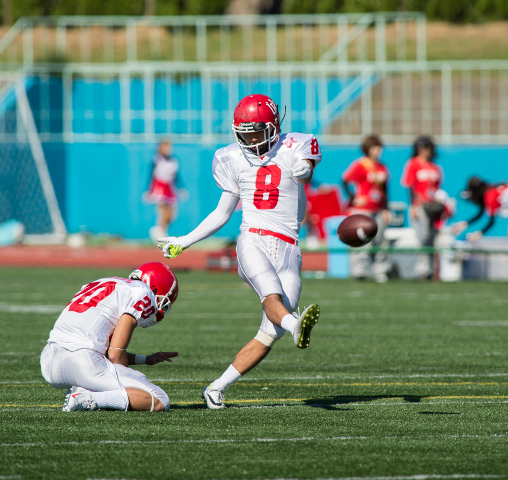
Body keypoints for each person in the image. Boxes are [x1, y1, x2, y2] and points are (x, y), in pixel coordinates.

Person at [158, 93, 321, 409]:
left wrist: (302, 168)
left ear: (273, 126)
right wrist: (185, 240)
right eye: (244, 132)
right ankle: (296, 326)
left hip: (289, 247)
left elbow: (306, 169)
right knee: (272, 298)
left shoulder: (296, 144)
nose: (250, 138)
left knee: (269, 333)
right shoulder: (230, 157)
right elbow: (222, 213)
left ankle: (216, 389)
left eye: (257, 131)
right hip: (253, 239)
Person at [40, 262, 179, 413]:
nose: (159, 309)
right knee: (159, 399)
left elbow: (103, 350)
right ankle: (89, 398)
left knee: (105, 372)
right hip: (83, 362)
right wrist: (122, 388)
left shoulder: (103, 282)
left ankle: (84, 387)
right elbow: (115, 356)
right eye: (163, 302)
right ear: (155, 288)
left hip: (49, 361)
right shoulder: (142, 291)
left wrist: (144, 359)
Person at [341, 134, 391, 282]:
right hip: (363, 209)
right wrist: (353, 198)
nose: (378, 150)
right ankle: (359, 271)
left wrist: (386, 208)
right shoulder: (361, 164)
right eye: (375, 147)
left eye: (379, 147)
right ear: (368, 149)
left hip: (378, 209)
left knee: (381, 241)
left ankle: (380, 271)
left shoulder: (382, 167)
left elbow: (385, 189)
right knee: (361, 239)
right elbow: (345, 180)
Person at [401, 136, 443, 280]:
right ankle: (423, 271)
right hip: (420, 206)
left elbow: (438, 189)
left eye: (428, 147)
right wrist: (413, 205)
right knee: (423, 238)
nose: (425, 151)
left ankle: (432, 271)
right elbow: (410, 186)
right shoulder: (413, 164)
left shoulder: (435, 167)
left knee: (433, 238)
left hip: (433, 206)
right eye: (422, 148)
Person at [453, 177, 508, 241]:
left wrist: (479, 234)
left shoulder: (490, 197)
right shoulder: (489, 189)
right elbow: (480, 214)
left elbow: (491, 222)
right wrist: (464, 224)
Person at [146, 140, 182, 241]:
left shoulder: (174, 161)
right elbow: (150, 175)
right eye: (165, 147)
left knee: (172, 215)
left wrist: (181, 188)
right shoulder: (156, 160)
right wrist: (148, 191)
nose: (168, 150)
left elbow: (177, 176)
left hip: (169, 188)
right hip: (159, 187)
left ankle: (159, 230)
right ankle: (160, 233)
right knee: (163, 213)